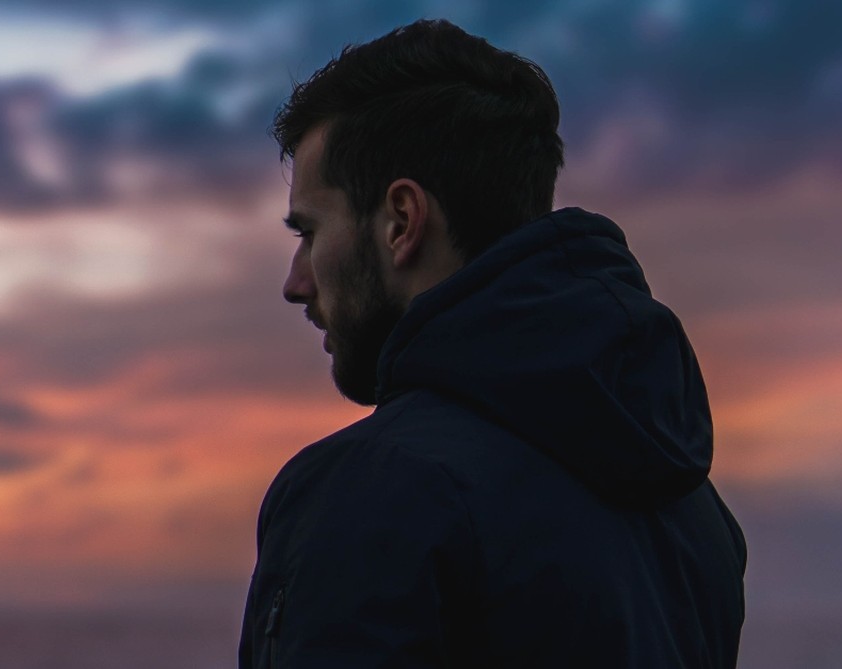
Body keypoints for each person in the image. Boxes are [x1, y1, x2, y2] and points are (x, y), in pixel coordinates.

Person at [239, 19, 746, 668]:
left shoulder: (377, 493)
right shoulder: (694, 516)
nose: (296, 281)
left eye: (308, 232)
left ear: (401, 221)